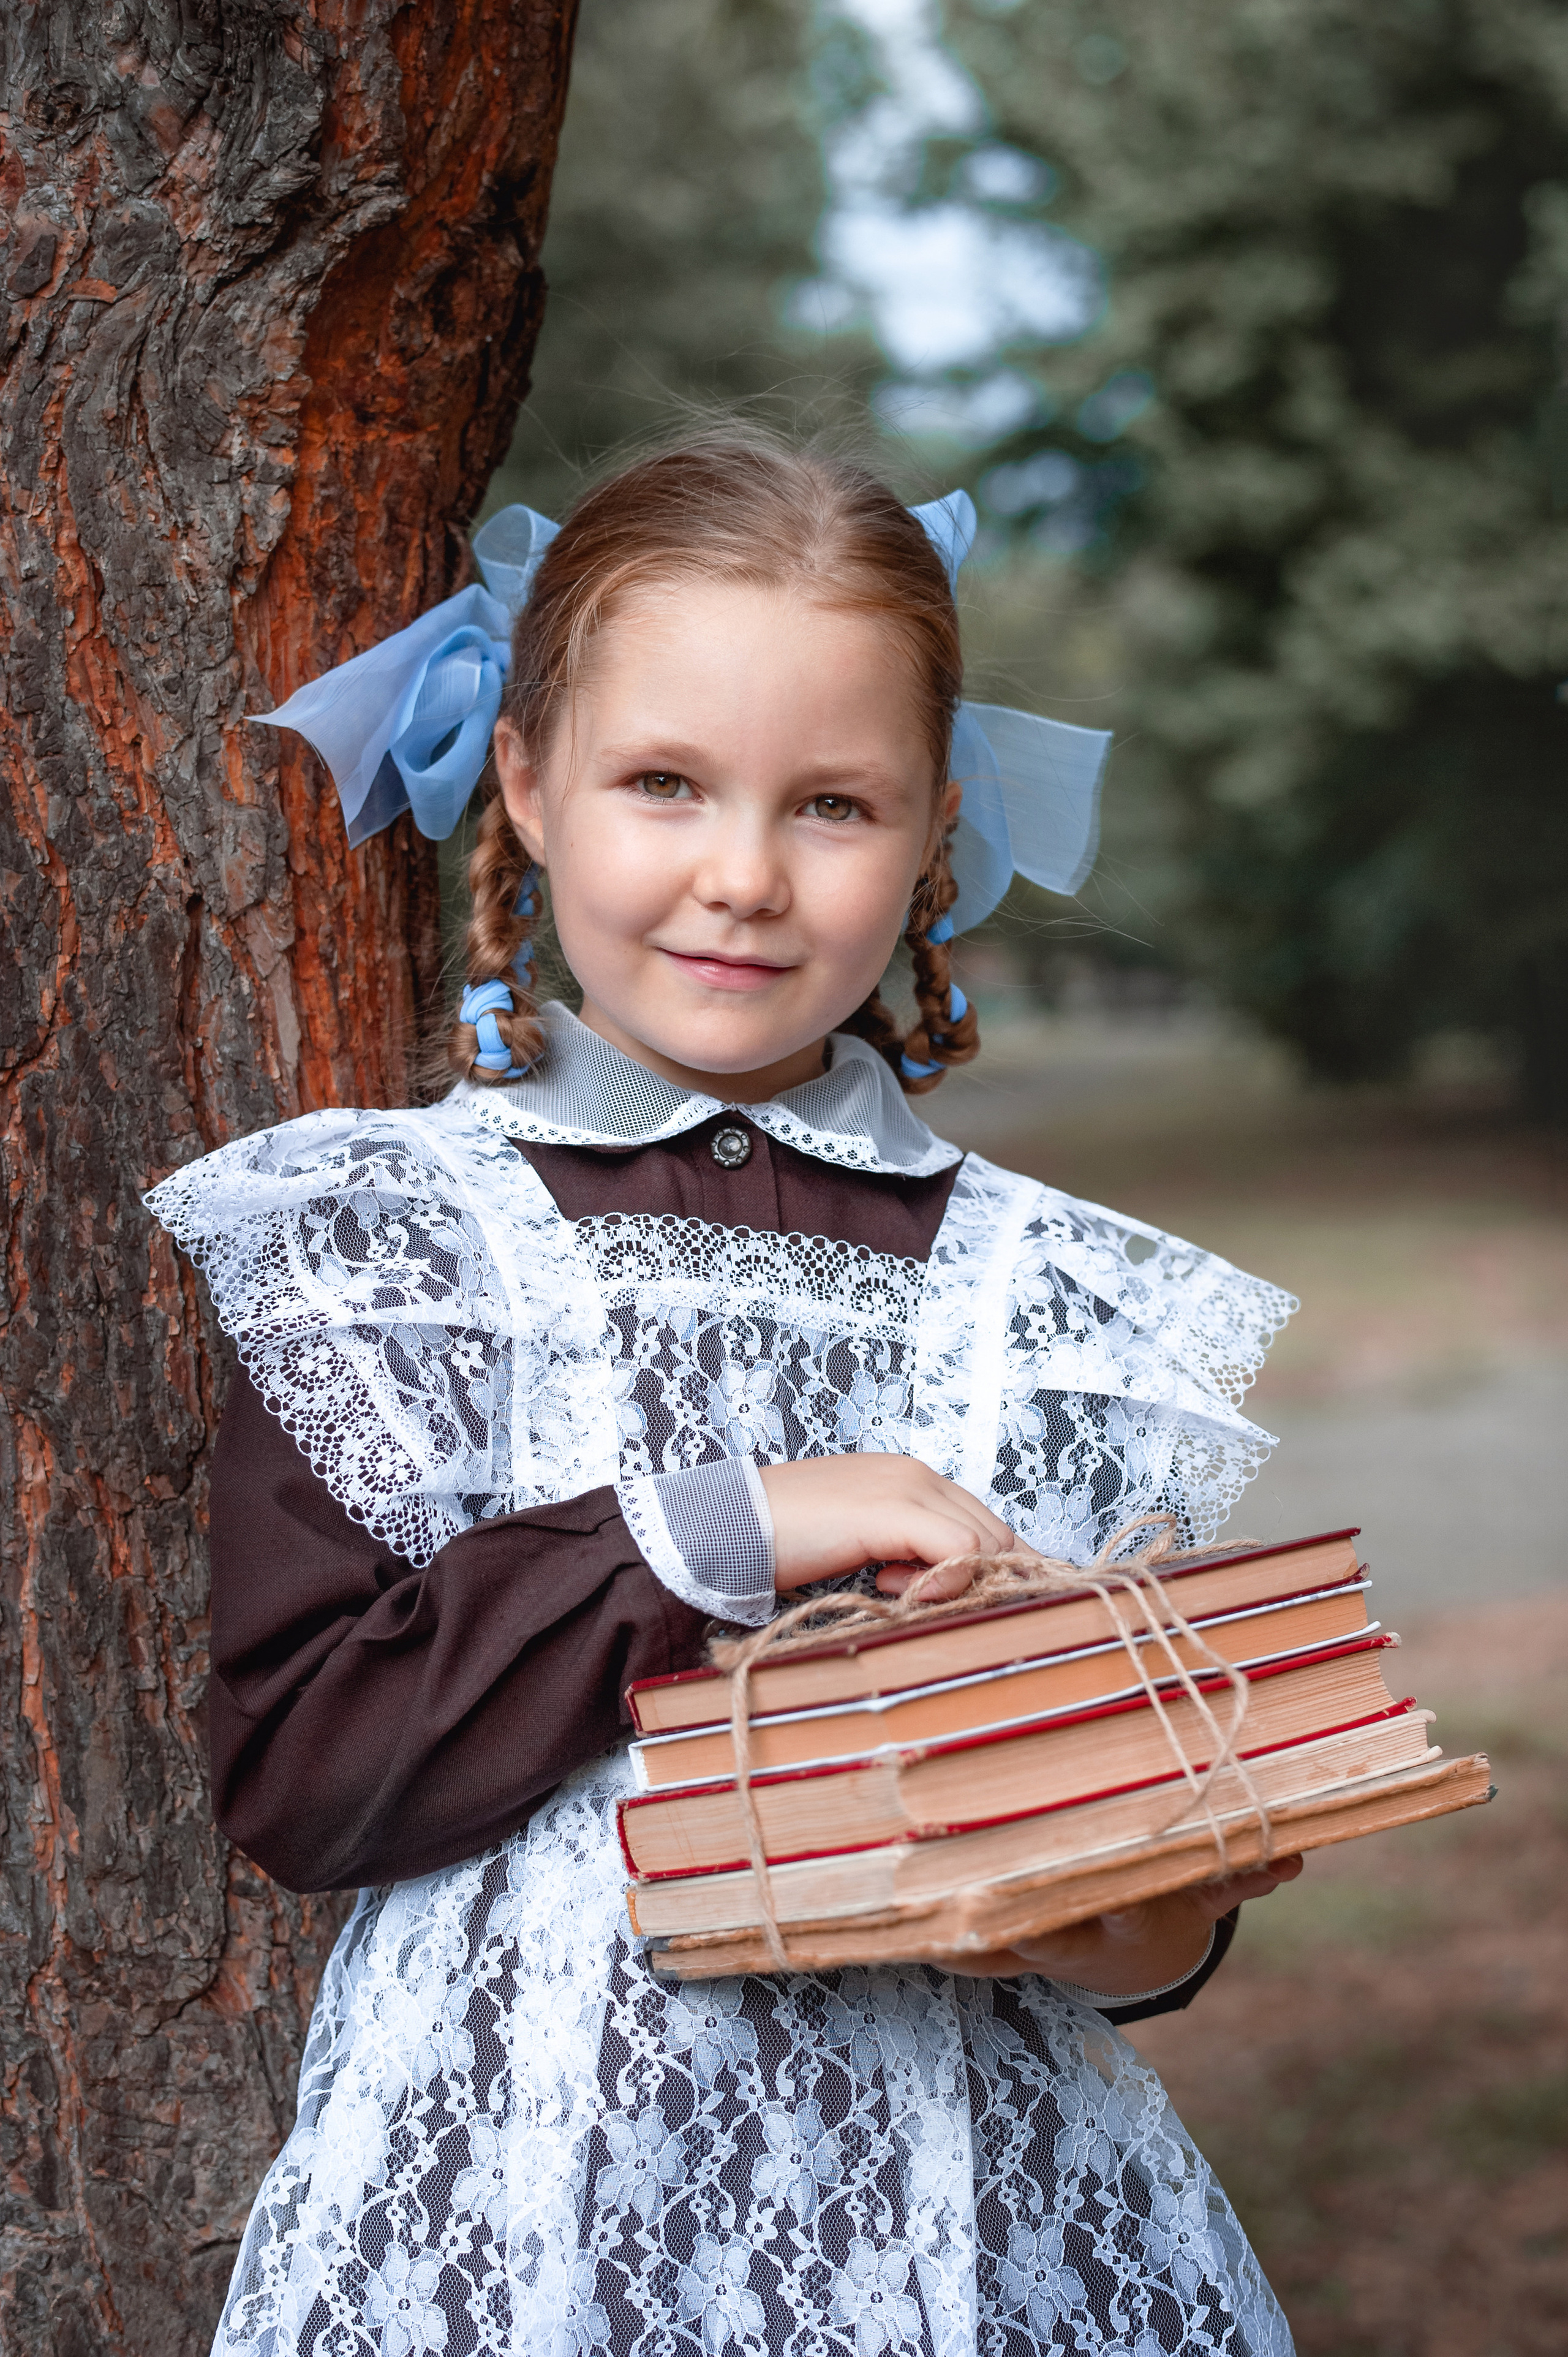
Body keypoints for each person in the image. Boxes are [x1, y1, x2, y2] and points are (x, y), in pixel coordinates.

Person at [150, 430, 1303, 2356]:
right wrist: (739, 1524)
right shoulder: (396, 1240)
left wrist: (1131, 1924)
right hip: (527, 2249)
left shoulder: (1059, 1302)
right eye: (664, 783)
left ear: (937, 826)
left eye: (834, 805)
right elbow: (305, 1771)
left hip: (973, 2246)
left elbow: (1143, 1873)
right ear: (524, 781)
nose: (744, 878)